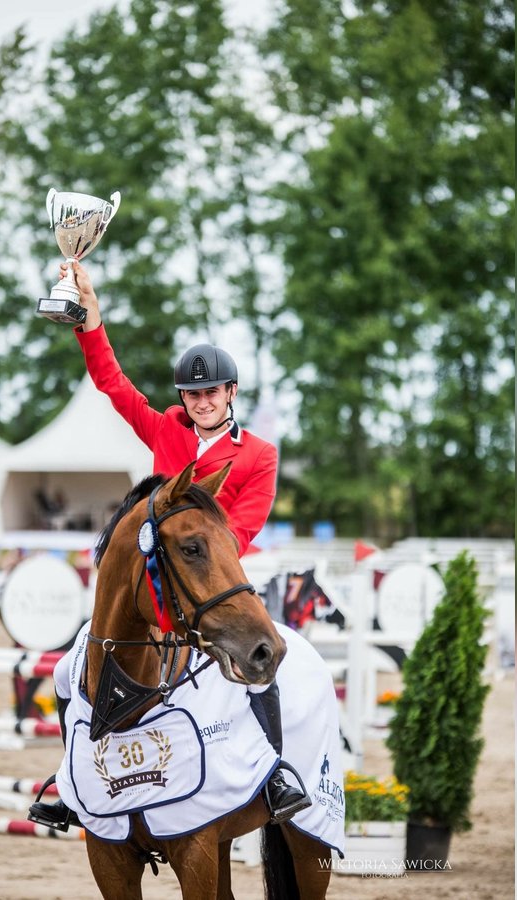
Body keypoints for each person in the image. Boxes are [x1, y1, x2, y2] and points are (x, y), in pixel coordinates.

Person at [28, 260, 310, 831]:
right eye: (193, 392)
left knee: (264, 665)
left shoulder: (258, 455)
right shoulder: (164, 430)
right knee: (67, 672)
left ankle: (274, 772)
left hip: (217, 586)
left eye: (212, 392)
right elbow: (111, 381)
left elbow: (239, 531)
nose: (203, 400)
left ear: (230, 393)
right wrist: (91, 320)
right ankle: (69, 777)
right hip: (151, 588)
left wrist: (197, 552)